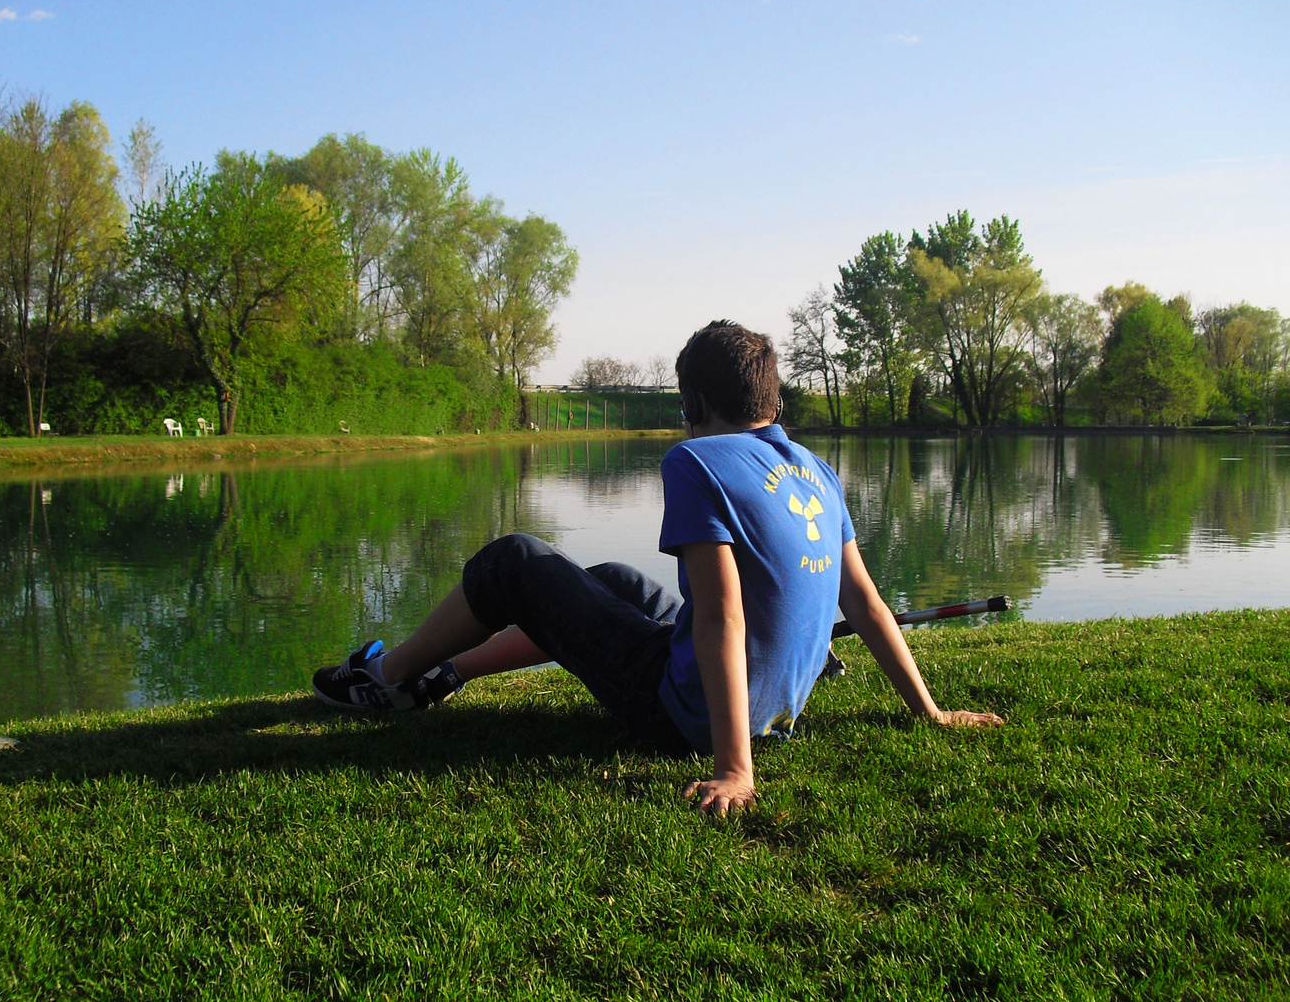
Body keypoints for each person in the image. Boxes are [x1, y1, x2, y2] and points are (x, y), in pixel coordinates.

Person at [313, 320, 1003, 815]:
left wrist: (734, 769)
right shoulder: (816, 469)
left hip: (682, 715)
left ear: (695, 406)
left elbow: (724, 613)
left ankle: (388, 680)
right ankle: (451, 671)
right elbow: (867, 603)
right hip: (777, 707)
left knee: (511, 559)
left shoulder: (696, 459)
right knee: (611, 578)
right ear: (774, 401)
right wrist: (930, 712)